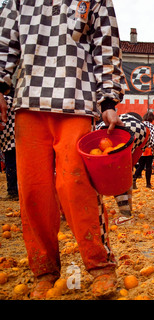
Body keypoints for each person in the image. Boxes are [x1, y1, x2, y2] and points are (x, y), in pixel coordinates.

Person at [0, 0, 125, 298]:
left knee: (75, 183)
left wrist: (108, 101)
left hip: (76, 100)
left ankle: (100, 264)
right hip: (28, 102)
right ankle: (44, 268)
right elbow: (5, 41)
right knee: (33, 189)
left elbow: (106, 46)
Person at [96, 113, 151, 225]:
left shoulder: (96, 125)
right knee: (126, 170)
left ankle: (126, 215)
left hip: (122, 129)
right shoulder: (147, 125)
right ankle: (128, 208)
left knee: (117, 171)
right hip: (142, 132)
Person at [0, 91, 18, 201]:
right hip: (10, 133)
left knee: (11, 155)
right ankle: (13, 190)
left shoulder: (6, 101)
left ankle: (13, 190)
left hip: (11, 132)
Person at [133, 111, 154, 188]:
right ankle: (148, 184)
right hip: (148, 149)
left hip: (140, 148)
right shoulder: (152, 127)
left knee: (141, 165)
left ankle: (134, 178)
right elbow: (152, 139)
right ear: (152, 119)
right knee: (148, 166)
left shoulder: (140, 124)